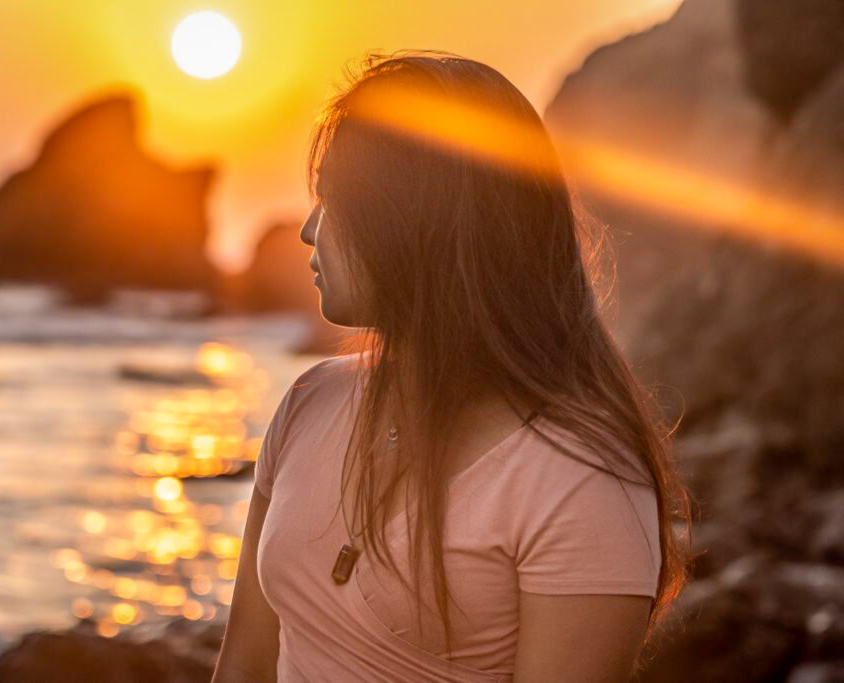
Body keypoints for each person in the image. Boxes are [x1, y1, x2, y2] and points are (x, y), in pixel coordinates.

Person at [212, 48, 693, 682]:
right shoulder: (310, 403)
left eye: (334, 199)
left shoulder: (578, 478)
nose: (307, 229)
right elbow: (244, 667)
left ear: (416, 221)